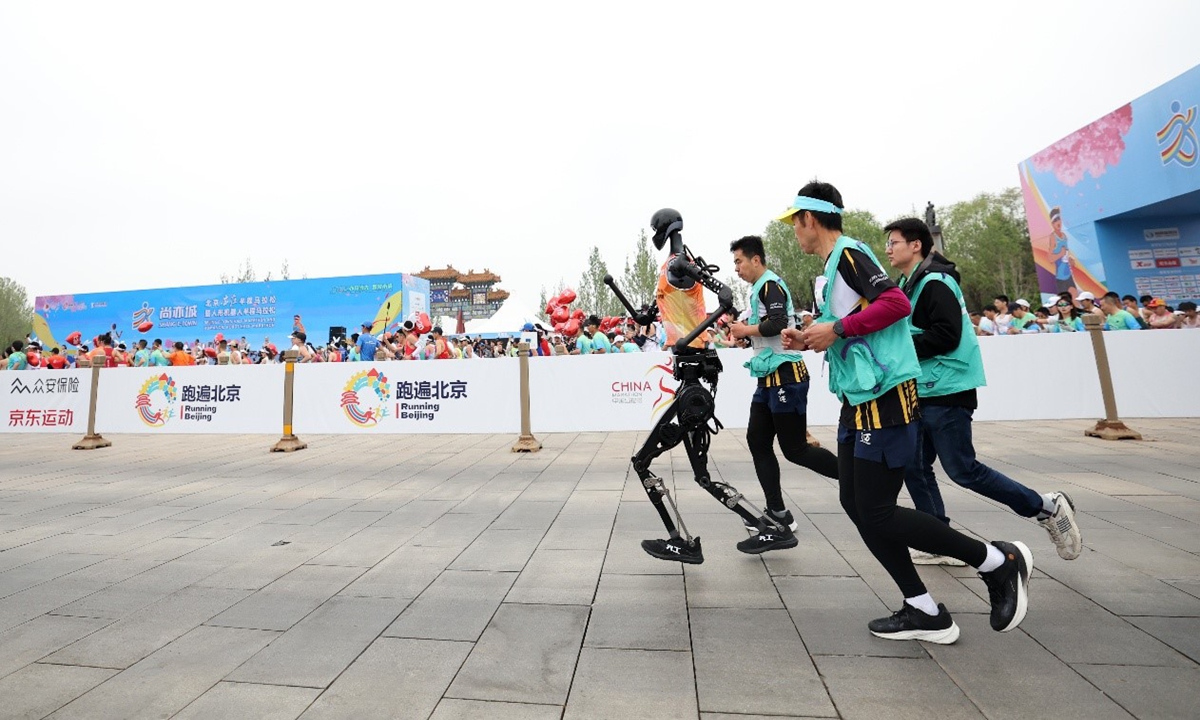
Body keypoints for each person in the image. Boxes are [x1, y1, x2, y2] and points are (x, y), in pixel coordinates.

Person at [778, 182, 1032, 645]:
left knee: (876, 512)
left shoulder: (850, 253)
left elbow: (894, 305)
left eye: (794, 223)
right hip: (858, 399)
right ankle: (923, 609)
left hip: (885, 400)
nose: (794, 232)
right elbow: (854, 323)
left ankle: (997, 562)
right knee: (854, 503)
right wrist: (813, 334)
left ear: (810, 219)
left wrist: (837, 329)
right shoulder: (834, 266)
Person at [884, 217, 1082, 567]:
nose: (888, 249)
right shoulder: (910, 284)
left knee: (963, 470)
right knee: (914, 467)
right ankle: (936, 539)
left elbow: (947, 336)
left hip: (947, 390)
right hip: (921, 391)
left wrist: (898, 348)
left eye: (893, 242)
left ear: (916, 245)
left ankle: (1046, 507)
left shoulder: (936, 282)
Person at [727, 234, 839, 554]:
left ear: (756, 259)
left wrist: (746, 330)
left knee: (795, 449)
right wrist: (748, 336)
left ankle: (857, 479)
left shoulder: (771, 285)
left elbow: (777, 322)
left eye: (739, 261)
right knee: (757, 441)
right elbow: (768, 328)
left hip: (787, 377)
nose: (736, 268)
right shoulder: (758, 289)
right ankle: (778, 514)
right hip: (769, 378)